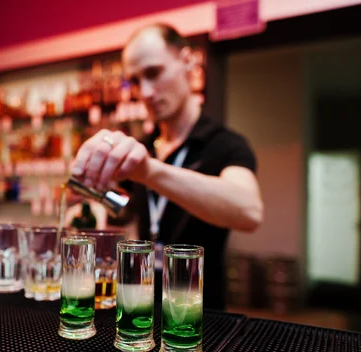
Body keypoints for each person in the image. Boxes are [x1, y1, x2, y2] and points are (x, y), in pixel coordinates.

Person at [71, 23, 264, 310]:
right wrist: (96, 208)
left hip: (199, 316)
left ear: (188, 61)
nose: (146, 92)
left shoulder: (224, 144)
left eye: (154, 73)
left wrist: (150, 171)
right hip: (141, 308)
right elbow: (123, 208)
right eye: (135, 81)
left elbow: (249, 211)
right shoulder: (144, 147)